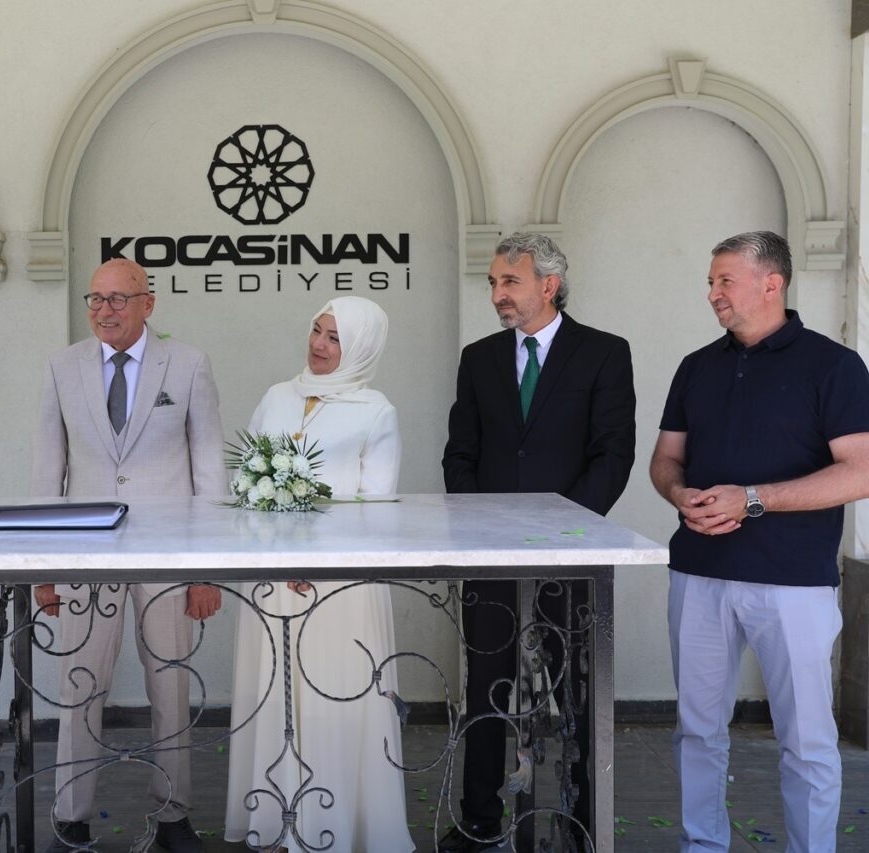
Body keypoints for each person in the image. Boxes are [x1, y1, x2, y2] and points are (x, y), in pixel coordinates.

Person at [650, 231, 869, 852]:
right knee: (697, 732)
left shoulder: (834, 366)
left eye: (725, 280)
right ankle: (702, 846)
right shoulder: (696, 366)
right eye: (710, 281)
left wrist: (752, 498)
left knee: (807, 740)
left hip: (793, 582)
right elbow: (665, 460)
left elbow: (861, 471)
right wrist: (679, 494)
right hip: (699, 573)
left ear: (772, 283)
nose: (712, 293)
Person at [441, 232, 636, 851]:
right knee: (485, 691)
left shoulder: (604, 353)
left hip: (569, 560)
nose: (497, 294)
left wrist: (562, 532)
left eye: (510, 281)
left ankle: (582, 822)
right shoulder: (478, 358)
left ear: (548, 285)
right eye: (493, 283)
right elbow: (460, 455)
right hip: (492, 561)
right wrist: (485, 530)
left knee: (575, 693)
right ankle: (479, 822)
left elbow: (613, 454)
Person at [30, 257, 226, 853]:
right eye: (96, 299)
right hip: (85, 556)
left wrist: (206, 570)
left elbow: (209, 472)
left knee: (170, 686)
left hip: (169, 557)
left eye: (118, 299)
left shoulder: (188, 364)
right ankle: (71, 819)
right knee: (79, 687)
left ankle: (173, 817)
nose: (104, 310)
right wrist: (44, 568)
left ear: (148, 304)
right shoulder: (61, 366)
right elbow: (48, 472)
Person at [224, 296, 412, 853]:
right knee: (274, 694)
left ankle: (337, 827)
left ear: (361, 349)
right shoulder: (277, 396)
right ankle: (276, 823)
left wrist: (321, 564)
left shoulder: (376, 410)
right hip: (272, 581)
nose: (319, 345)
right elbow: (243, 481)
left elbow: (377, 505)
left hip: (338, 587)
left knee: (333, 697)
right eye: (316, 330)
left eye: (335, 338)